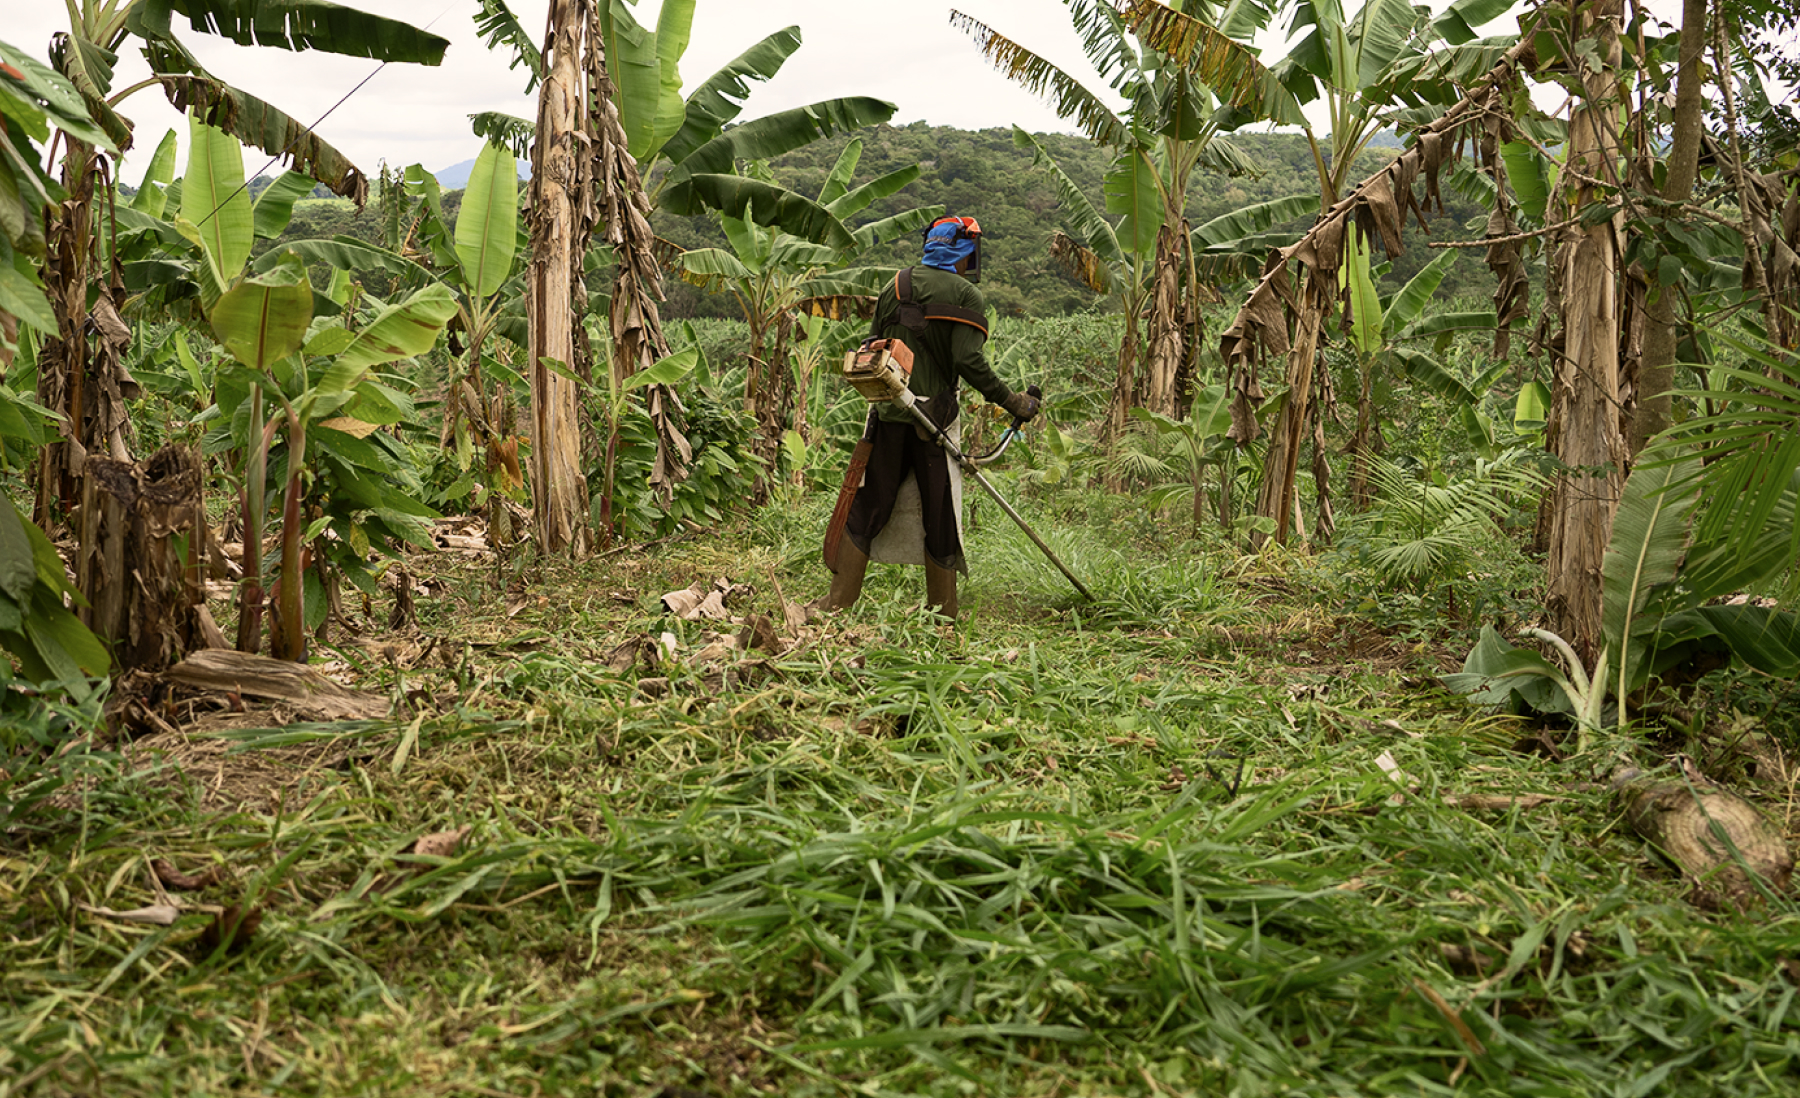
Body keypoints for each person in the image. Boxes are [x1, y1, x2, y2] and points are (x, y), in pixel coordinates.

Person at [816, 215, 1040, 620]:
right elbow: (967, 360)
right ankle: (943, 613)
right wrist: (1013, 401)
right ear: (965, 251)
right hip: (931, 423)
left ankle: (838, 602)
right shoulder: (966, 295)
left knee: (871, 505)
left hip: (888, 414)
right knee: (938, 514)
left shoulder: (896, 285)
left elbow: (872, 346)